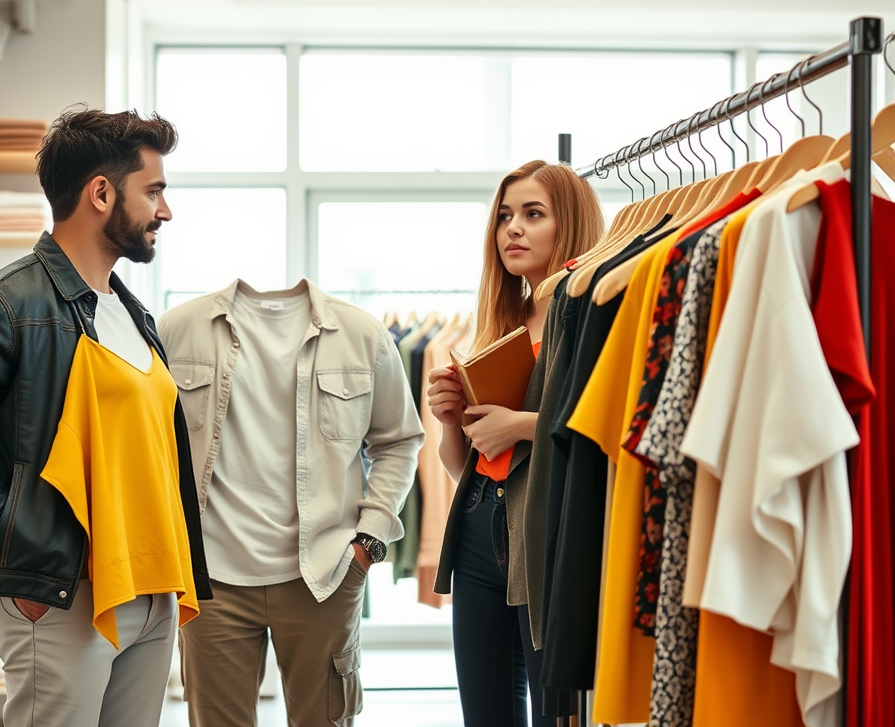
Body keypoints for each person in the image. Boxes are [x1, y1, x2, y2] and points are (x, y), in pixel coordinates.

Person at [0, 107, 212, 727]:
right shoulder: (4, 303)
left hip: (148, 586)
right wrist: (25, 547)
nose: (166, 211)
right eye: (154, 191)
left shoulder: (133, 314)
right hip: (63, 591)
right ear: (101, 193)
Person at [157, 277, 425, 727]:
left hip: (325, 574)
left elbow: (398, 442)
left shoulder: (363, 335)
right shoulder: (177, 329)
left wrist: (369, 544)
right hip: (211, 582)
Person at [426, 161, 604, 726]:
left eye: (533, 214)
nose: (513, 230)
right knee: (485, 713)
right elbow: (463, 467)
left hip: (547, 532)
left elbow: (613, 423)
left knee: (559, 713)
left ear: (568, 224)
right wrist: (452, 419)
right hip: (479, 525)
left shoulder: (594, 314)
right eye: (504, 216)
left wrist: (521, 423)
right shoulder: (499, 322)